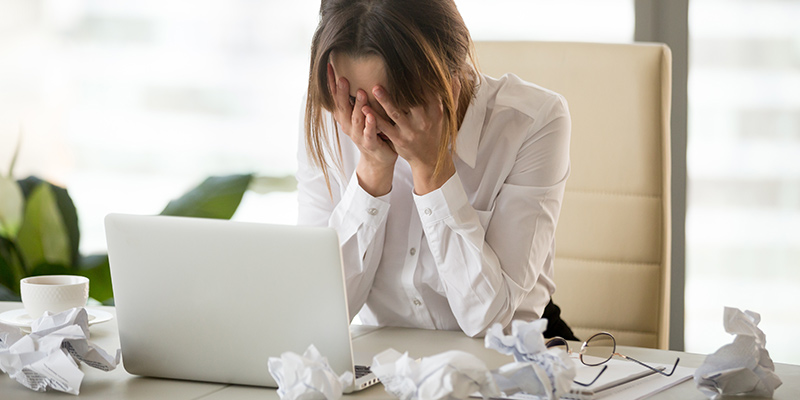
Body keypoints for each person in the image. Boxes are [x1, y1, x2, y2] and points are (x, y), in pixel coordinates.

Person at [296, 0, 572, 338]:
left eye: (391, 105)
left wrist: (432, 171)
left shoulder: (532, 121)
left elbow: (489, 320)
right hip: (389, 366)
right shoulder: (332, 117)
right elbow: (317, 310)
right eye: (355, 99)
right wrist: (370, 173)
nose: (368, 122)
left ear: (449, 77)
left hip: (508, 359)